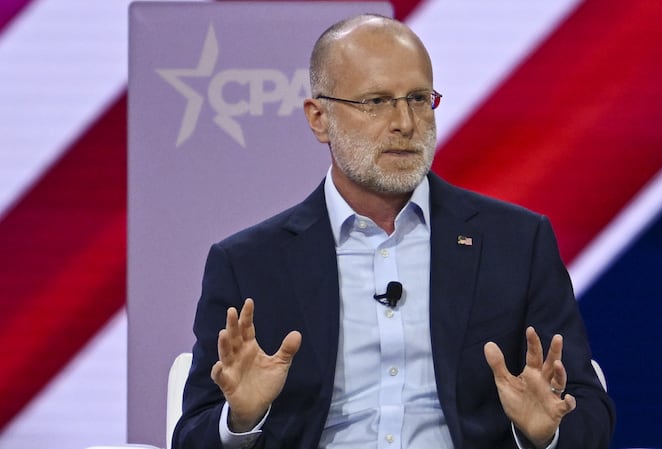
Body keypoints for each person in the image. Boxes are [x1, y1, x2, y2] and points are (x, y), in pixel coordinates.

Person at [172, 13, 614, 449]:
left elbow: (589, 406)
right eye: (377, 101)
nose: (405, 122)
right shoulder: (250, 262)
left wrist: (543, 434)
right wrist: (242, 419)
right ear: (318, 118)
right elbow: (191, 435)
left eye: (419, 99)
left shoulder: (516, 242)